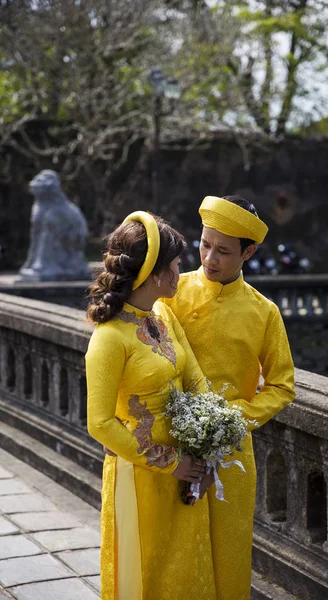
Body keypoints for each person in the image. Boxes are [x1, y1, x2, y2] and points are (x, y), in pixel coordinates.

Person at [162, 195, 296, 600]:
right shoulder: (171, 294)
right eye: (204, 245)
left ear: (248, 252)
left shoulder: (264, 312)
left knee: (228, 554)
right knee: (175, 551)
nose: (209, 258)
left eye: (223, 251)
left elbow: (282, 385)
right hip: (172, 446)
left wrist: (234, 419)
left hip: (232, 453)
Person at [85, 211, 218, 600]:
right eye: (177, 266)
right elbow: (100, 423)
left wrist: (208, 445)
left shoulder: (162, 316)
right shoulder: (110, 338)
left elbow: (194, 379)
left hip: (187, 464)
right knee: (146, 571)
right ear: (156, 274)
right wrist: (172, 463)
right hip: (141, 475)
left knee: (185, 568)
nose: (183, 272)